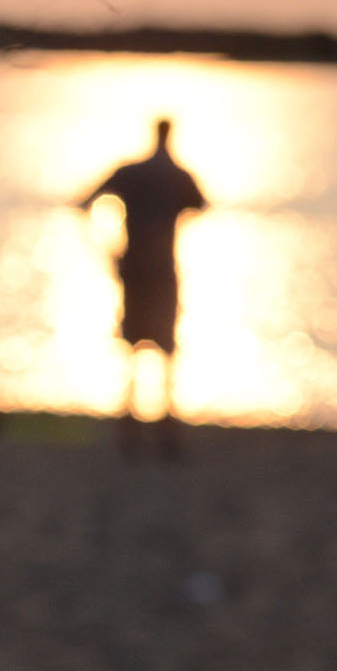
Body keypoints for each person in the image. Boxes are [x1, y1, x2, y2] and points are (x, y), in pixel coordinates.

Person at [79, 117, 207, 442]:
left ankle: (130, 423)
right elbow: (202, 207)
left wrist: (108, 248)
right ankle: (163, 423)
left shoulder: (132, 173)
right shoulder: (178, 176)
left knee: (134, 344)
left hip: (135, 266)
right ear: (170, 135)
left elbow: (83, 203)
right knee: (163, 345)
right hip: (160, 268)